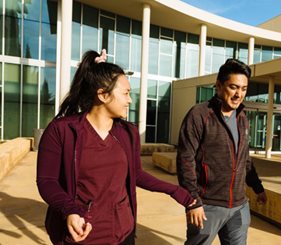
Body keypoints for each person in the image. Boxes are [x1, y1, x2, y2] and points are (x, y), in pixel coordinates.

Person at [36, 50, 195, 245]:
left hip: (123, 233)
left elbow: (136, 174)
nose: (130, 100)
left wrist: (176, 191)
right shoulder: (61, 130)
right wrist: (70, 209)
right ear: (103, 95)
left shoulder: (129, 133)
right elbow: (47, 181)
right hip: (81, 235)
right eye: (126, 93)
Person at [177, 58, 267, 245]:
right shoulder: (199, 114)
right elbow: (185, 160)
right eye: (233, 87)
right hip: (207, 205)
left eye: (243, 89)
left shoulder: (242, 118)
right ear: (219, 85)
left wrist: (257, 187)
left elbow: (245, 159)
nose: (238, 94)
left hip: (239, 206)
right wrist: (192, 200)